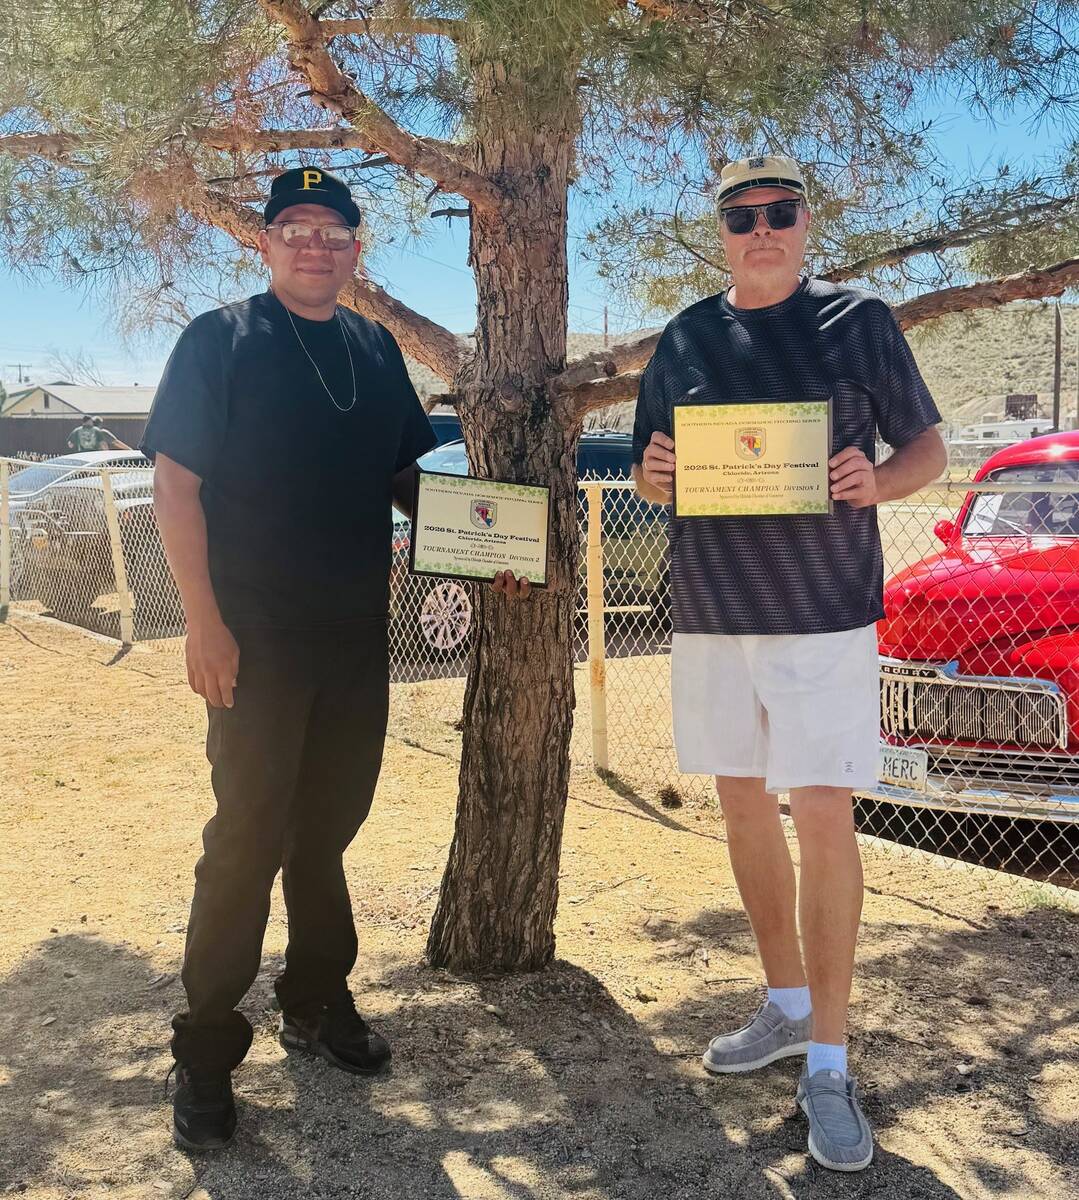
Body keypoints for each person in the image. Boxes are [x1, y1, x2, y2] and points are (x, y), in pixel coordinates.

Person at [142, 166, 476, 1152]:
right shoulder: (220, 339)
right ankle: (206, 1052)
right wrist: (202, 623)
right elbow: (175, 486)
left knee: (326, 831)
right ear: (266, 243)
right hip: (253, 637)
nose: (314, 244)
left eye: (333, 231)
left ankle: (317, 999)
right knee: (245, 838)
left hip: (353, 636)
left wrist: (486, 543)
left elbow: (405, 476)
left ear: (355, 250)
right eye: (294, 227)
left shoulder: (373, 348)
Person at [632, 154, 947, 1172]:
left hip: (820, 617)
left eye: (778, 212)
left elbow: (927, 452)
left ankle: (827, 1061)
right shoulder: (685, 337)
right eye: (741, 217)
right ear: (720, 233)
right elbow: (650, 471)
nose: (760, 229)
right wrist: (653, 474)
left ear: (805, 222)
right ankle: (783, 1002)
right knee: (738, 805)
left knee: (818, 813)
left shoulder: (857, 322)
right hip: (712, 613)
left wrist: (876, 480)